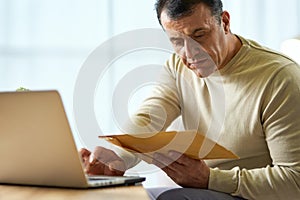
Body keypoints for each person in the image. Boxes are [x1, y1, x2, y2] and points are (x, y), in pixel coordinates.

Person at [80, 0, 300, 199]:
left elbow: (295, 181)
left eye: (199, 35)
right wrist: (117, 160)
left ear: (224, 22)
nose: (190, 53)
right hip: (206, 190)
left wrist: (210, 179)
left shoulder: (280, 78)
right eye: (177, 41)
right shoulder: (177, 67)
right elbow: (149, 118)